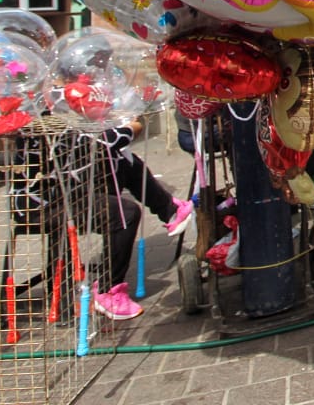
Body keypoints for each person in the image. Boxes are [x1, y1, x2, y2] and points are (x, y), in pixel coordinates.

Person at [11, 118, 194, 322]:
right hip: (45, 202)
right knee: (126, 213)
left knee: (126, 162)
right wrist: (130, 127)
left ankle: (169, 210)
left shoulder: (65, 100)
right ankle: (108, 290)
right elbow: (98, 141)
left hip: (72, 188)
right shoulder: (48, 109)